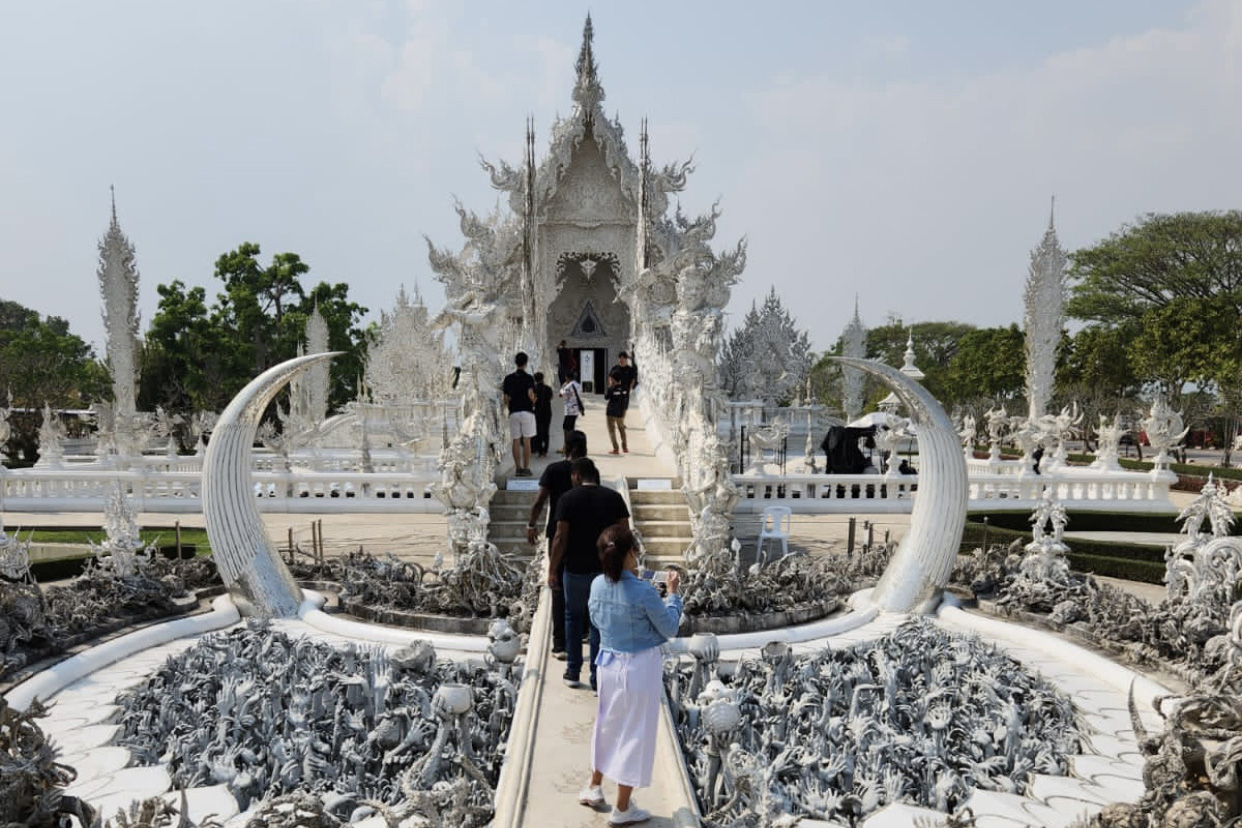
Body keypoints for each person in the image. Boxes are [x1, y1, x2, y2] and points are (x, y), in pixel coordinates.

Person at [578, 524, 682, 824]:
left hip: (608, 661)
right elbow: (670, 627)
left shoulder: (598, 584)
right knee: (635, 733)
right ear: (631, 553)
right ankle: (623, 807)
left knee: (607, 725)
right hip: (638, 665)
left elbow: (596, 622)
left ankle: (594, 786)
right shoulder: (644, 591)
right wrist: (673, 595)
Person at [548, 457, 629, 692]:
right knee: (599, 624)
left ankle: (573, 670)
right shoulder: (613, 498)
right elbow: (624, 534)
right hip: (605, 571)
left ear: (576, 475)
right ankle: (597, 677)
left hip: (574, 569)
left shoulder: (568, 499)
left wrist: (552, 569)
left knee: (572, 618)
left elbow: (560, 538)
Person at [527, 430, 588, 660]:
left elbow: (540, 500)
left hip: (559, 535)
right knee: (584, 584)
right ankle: (582, 631)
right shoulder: (589, 470)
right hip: (585, 536)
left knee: (558, 587)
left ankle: (560, 643)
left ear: (565, 445)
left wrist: (531, 524)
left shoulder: (554, 469)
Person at [501, 352, 536, 477]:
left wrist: (509, 406)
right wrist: (533, 400)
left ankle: (518, 468)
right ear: (526, 363)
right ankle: (526, 468)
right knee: (527, 440)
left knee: (516, 440)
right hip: (527, 411)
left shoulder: (508, 379)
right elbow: (531, 394)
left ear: (516, 363)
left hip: (514, 411)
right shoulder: (529, 378)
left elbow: (505, 398)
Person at [603, 374, 630, 454]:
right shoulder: (624, 388)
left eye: (610, 379)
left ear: (613, 380)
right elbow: (625, 400)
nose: (610, 381)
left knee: (612, 431)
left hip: (611, 412)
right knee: (622, 430)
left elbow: (606, 397)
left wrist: (609, 387)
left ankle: (616, 448)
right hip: (620, 412)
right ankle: (624, 447)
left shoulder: (612, 389)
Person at [559, 373, 585, 455]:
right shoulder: (578, 385)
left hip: (570, 410)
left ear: (567, 378)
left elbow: (561, 394)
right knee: (571, 428)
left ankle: (567, 447)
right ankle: (568, 447)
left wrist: (563, 386)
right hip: (576, 410)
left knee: (566, 429)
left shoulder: (568, 386)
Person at [532, 372, 554, 458]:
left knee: (538, 431)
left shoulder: (534, 389)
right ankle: (545, 450)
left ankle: (540, 450)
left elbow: (533, 401)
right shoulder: (548, 388)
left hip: (537, 412)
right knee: (546, 431)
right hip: (547, 411)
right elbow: (551, 398)